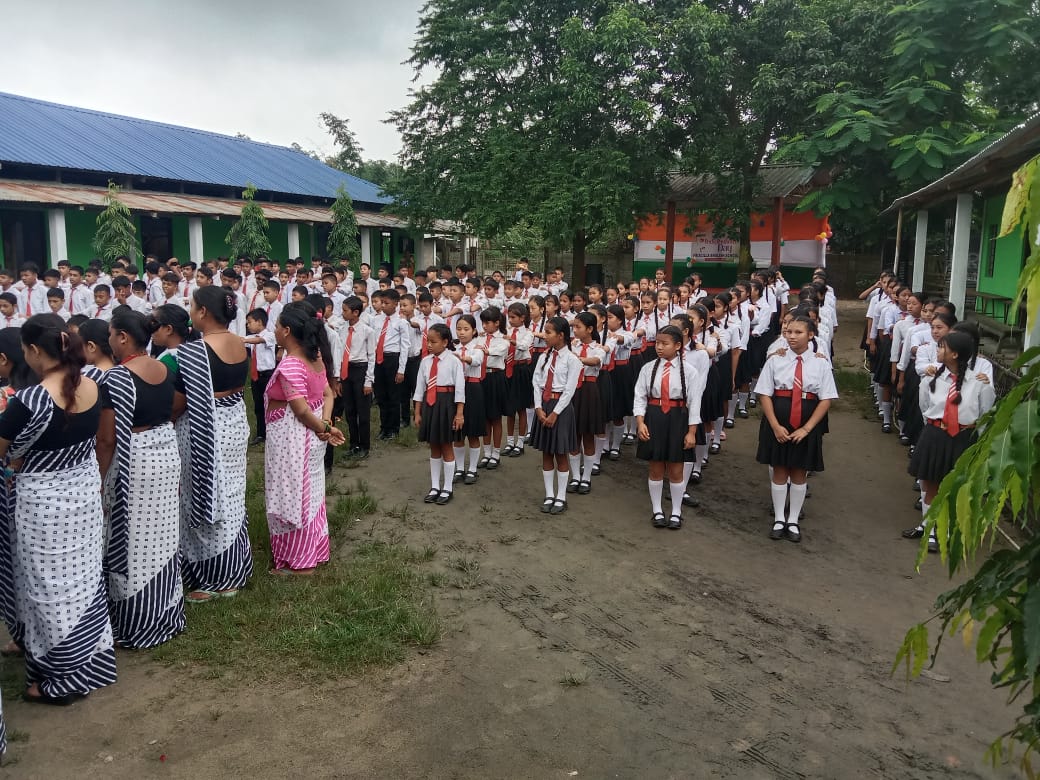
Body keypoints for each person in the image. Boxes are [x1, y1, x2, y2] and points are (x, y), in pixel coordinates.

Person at [0, 314, 116, 704]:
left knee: (47, 588)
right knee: (83, 581)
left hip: (43, 506)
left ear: (34, 350)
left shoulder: (29, 402)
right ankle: (87, 662)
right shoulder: (95, 385)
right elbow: (105, 439)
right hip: (84, 494)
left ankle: (61, 678)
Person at [97, 308, 185, 648]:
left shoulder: (116, 378)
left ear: (122, 337)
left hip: (134, 462)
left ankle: (137, 622)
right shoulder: (163, 367)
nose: (108, 340)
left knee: (131, 540)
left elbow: (107, 439)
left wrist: (99, 478)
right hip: (165, 454)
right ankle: (166, 611)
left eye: (110, 334)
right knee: (163, 536)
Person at [176, 286, 253, 602]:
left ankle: (216, 578)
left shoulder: (196, 351)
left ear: (203, 312)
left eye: (192, 307)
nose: (190, 313)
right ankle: (235, 567)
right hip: (234, 423)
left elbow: (179, 402)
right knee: (231, 494)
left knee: (207, 495)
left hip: (206, 431)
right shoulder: (238, 342)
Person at [264, 302, 345, 574]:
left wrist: (324, 427)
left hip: (294, 439)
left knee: (293, 494)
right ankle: (314, 551)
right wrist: (326, 424)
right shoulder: (315, 357)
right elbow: (327, 394)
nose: (274, 330)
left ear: (287, 331)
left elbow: (300, 410)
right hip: (311, 437)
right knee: (311, 492)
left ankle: (300, 561)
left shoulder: (291, 365)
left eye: (277, 326)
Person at [907, 330, 995, 552]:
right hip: (936, 435)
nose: (937, 350)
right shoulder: (931, 378)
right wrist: (936, 429)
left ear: (954, 354)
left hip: (963, 437)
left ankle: (945, 530)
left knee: (955, 486)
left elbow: (985, 412)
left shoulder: (979, 382)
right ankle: (930, 529)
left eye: (941, 347)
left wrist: (975, 439)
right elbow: (925, 407)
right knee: (931, 484)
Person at [754, 315, 838, 543]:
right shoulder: (775, 360)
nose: (792, 336)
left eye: (798, 332)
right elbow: (764, 393)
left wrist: (807, 429)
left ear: (811, 335)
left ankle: (793, 520)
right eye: (789, 332)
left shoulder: (820, 363)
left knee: (800, 472)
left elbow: (826, 398)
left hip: (806, 421)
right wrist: (774, 425)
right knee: (779, 469)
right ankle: (779, 518)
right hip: (779, 421)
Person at [633, 325, 703, 530]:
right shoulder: (648, 368)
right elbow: (639, 397)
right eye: (657, 343)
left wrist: (691, 432)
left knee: (676, 468)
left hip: (677, 418)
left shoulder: (689, 371)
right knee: (655, 466)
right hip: (654, 417)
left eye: (665, 343)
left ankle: (676, 512)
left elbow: (695, 403)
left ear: (678, 345)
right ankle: (657, 510)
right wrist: (640, 422)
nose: (659, 347)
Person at [530, 317, 582, 515]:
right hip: (544, 405)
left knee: (560, 453)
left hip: (561, 408)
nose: (545, 336)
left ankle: (561, 497)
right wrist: (538, 408)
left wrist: (555, 413)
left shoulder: (572, 360)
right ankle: (549, 494)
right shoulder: (544, 357)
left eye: (549, 332)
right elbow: (536, 382)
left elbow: (569, 391)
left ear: (561, 336)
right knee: (546, 452)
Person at [414, 323, 465, 504]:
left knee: (446, 445)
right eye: (428, 341)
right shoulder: (425, 362)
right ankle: (435, 486)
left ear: (445, 342)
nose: (429, 345)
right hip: (430, 405)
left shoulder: (454, 361)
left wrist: (459, 414)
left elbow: (460, 390)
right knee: (434, 446)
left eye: (433, 342)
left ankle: (447, 488)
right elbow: (419, 388)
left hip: (446, 404)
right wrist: (417, 412)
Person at [567, 312, 606, 494]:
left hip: (589, 391)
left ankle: (586, 477)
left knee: (588, 436)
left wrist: (577, 358)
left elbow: (595, 361)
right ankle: (575, 476)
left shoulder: (598, 348)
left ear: (590, 329)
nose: (574, 330)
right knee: (573, 435)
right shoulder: (571, 345)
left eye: (578, 327)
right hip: (572, 391)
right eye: (574, 326)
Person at [336, 297, 375, 459]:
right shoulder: (341, 329)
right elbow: (339, 353)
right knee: (350, 410)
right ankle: (354, 444)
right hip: (346, 370)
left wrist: (368, 381)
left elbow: (371, 356)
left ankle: (365, 445)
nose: (342, 313)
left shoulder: (367, 331)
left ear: (356, 312)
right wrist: (339, 379)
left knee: (363, 412)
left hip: (360, 369)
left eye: (345, 310)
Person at [450, 315, 488, 484]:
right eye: (459, 329)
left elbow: (477, 361)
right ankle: (459, 468)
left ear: (473, 331)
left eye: (466, 329)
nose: (462, 332)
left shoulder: (477, 347)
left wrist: (462, 357)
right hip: (456, 390)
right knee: (457, 433)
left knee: (472, 432)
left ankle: (472, 469)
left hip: (473, 389)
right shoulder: (453, 348)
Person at [502, 302, 534, 457]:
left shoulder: (528, 333)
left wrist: (511, 340)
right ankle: (509, 442)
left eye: (513, 317)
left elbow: (524, 346)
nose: (510, 320)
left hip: (521, 370)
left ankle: (520, 443)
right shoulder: (506, 331)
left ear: (522, 318)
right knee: (509, 409)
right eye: (509, 317)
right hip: (508, 369)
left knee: (521, 408)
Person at [243, 309, 277, 445]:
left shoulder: (269, 335)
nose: (248, 325)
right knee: (258, 406)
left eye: (250, 322)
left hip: (267, 375)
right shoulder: (252, 338)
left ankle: (272, 432)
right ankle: (261, 433)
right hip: (256, 376)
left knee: (270, 405)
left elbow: (259, 340)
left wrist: (244, 339)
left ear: (259, 322)